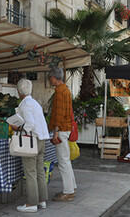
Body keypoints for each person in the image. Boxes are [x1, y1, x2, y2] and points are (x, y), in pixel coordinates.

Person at [9, 79, 50, 213]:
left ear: (20, 91)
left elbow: (30, 124)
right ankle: (42, 200)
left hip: (32, 141)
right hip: (42, 139)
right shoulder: (35, 103)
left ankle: (31, 203)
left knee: (30, 172)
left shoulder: (26, 104)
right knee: (39, 171)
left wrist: (18, 128)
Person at [47, 67, 77, 202]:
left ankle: (68, 192)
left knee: (63, 161)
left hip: (62, 130)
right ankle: (71, 187)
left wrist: (56, 132)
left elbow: (59, 114)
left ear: (54, 77)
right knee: (66, 161)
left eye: (50, 78)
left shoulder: (59, 91)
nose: (49, 80)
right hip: (66, 128)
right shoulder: (66, 89)